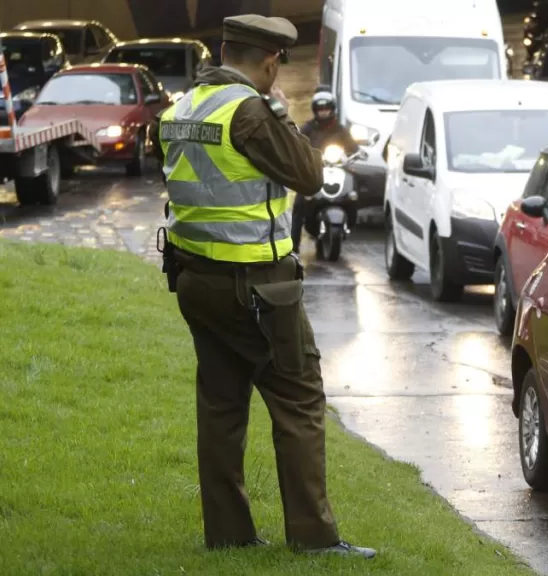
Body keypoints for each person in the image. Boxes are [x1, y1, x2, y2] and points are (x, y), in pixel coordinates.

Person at [152, 14, 376, 559]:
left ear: (223, 50)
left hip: (194, 278)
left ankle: (228, 534)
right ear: (271, 61)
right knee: (298, 398)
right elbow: (307, 172)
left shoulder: (180, 108)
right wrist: (278, 110)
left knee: (222, 403)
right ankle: (315, 538)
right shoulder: (250, 112)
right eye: (277, 65)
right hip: (256, 284)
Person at [291, 90, 360, 252]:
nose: (323, 112)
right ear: (315, 110)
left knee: (354, 193)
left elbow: (353, 148)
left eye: (326, 108)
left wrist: (356, 153)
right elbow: (297, 144)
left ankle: (350, 222)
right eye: (320, 108)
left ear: (332, 109)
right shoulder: (308, 128)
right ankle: (293, 247)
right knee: (300, 204)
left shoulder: (340, 129)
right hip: (314, 170)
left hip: (337, 169)